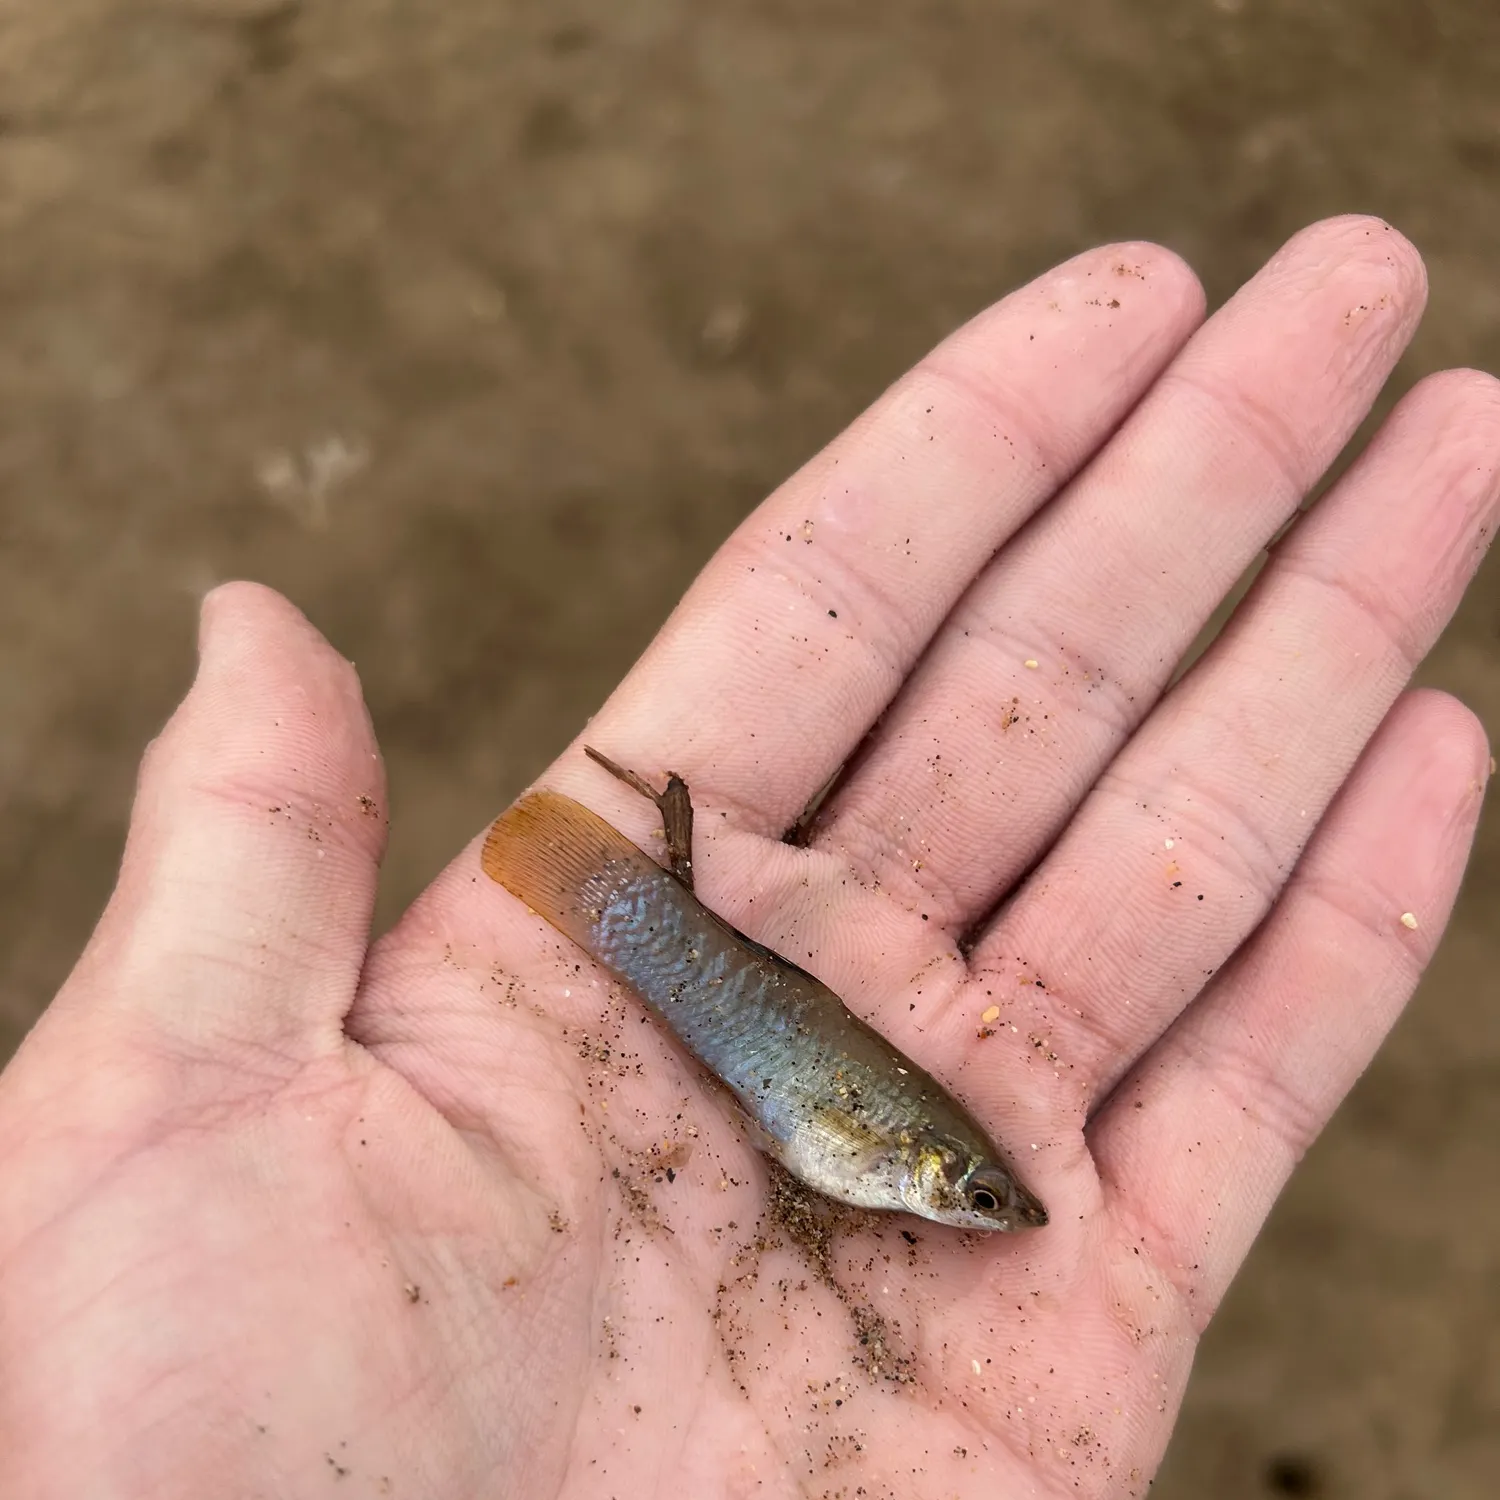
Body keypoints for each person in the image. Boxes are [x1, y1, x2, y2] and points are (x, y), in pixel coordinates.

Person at [0, 215, 1493, 1499]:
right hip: (731, 1028)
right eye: (966, 1190)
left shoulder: (890, 1162)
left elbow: (816, 1135)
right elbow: (819, 1135)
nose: (976, 1210)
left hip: (751, 1046)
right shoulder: (882, 1160)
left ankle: (611, 897)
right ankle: (603, 896)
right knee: (666, 935)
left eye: (971, 1197)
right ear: (926, 1167)